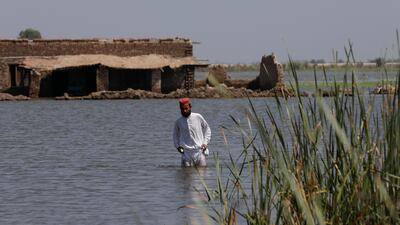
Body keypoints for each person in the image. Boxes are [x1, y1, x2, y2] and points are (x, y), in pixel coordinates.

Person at [173, 98, 211, 167]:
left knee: (202, 175)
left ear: (190, 107)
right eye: (182, 109)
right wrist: (178, 146)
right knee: (186, 174)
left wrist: (205, 143)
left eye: (186, 108)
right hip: (186, 154)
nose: (184, 111)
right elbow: (175, 136)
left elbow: (207, 129)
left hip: (199, 151)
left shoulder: (198, 117)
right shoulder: (178, 122)